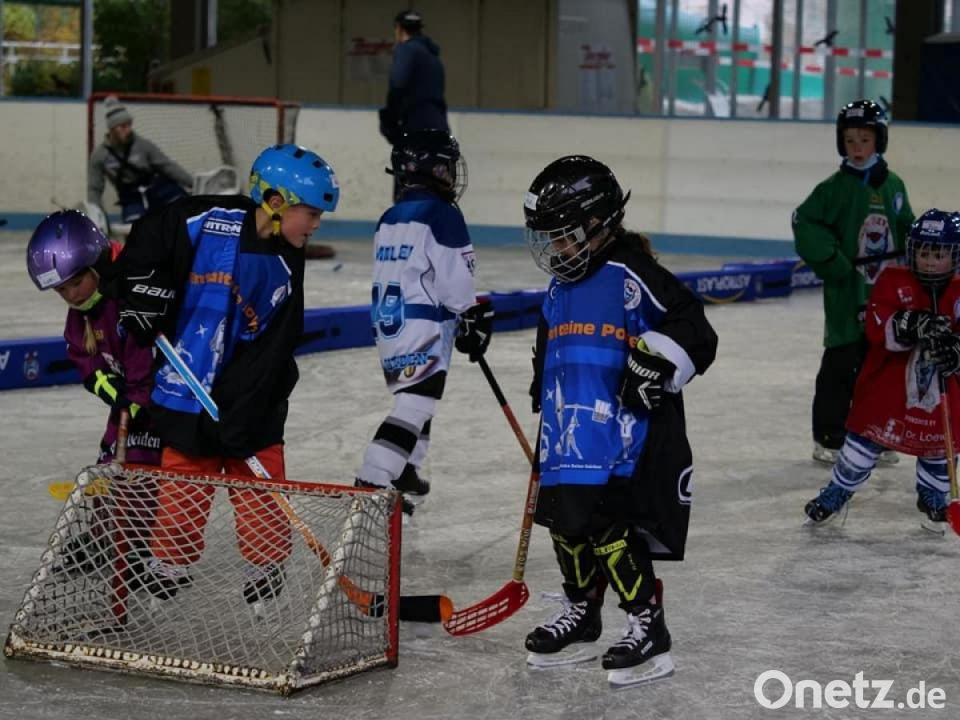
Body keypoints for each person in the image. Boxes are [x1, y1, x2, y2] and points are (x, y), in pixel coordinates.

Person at [106, 143, 340, 604]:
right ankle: (170, 565)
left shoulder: (285, 262)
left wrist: (246, 408)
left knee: (259, 480)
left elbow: (276, 346)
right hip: (185, 380)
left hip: (246, 394)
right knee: (183, 479)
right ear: (276, 202)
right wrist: (142, 292)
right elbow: (150, 236)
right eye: (311, 214)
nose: (315, 225)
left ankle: (266, 567)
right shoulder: (206, 218)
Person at [520, 156, 717, 687]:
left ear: (597, 223)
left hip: (619, 436)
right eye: (549, 237)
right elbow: (549, 347)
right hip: (568, 433)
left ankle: (647, 624)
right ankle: (582, 613)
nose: (555, 247)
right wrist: (543, 392)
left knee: (609, 527)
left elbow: (694, 327)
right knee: (565, 524)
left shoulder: (631, 272)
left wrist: (656, 360)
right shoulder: (560, 285)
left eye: (563, 235)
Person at [354, 129, 492, 519]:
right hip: (423, 324)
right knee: (416, 402)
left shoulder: (389, 216)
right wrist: (471, 313)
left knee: (418, 396)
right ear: (431, 168)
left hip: (391, 323)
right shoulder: (442, 214)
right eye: (446, 166)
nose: (451, 174)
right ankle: (372, 479)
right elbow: (455, 281)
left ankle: (406, 467)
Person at [803, 209, 960, 534]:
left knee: (938, 447)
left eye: (939, 255)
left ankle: (933, 497)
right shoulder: (893, 280)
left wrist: (955, 351)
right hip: (888, 388)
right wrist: (908, 323)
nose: (930, 262)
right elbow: (877, 325)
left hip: (937, 390)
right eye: (924, 253)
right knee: (860, 445)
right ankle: (837, 491)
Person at [26, 209, 162, 569]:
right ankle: (104, 535)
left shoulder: (130, 299)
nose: (70, 295)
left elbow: (145, 359)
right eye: (61, 290)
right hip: (126, 403)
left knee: (142, 468)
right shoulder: (82, 315)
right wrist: (109, 389)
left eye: (74, 284)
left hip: (159, 407)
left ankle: (139, 542)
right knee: (107, 465)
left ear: (95, 266)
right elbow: (86, 361)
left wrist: (136, 403)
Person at [793, 99, 914, 466]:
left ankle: (878, 432)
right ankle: (830, 434)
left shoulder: (894, 185)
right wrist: (834, 262)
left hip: (887, 293)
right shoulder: (832, 189)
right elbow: (805, 222)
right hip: (849, 291)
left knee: (884, 364)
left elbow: (906, 227)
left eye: (865, 140)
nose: (857, 148)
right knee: (842, 362)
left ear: (879, 140)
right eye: (850, 141)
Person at [88, 96, 194, 224]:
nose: (128, 130)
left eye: (129, 125)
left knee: (184, 209)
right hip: (131, 198)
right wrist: (96, 214)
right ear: (112, 129)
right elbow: (95, 189)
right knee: (135, 229)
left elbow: (167, 166)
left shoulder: (143, 145)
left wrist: (193, 183)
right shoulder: (99, 155)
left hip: (158, 189)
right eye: (122, 126)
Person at [379, 10, 448, 199]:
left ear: (399, 29)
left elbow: (398, 84)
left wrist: (389, 120)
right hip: (440, 131)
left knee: (408, 190)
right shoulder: (433, 58)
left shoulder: (406, 50)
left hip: (415, 130)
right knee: (435, 189)